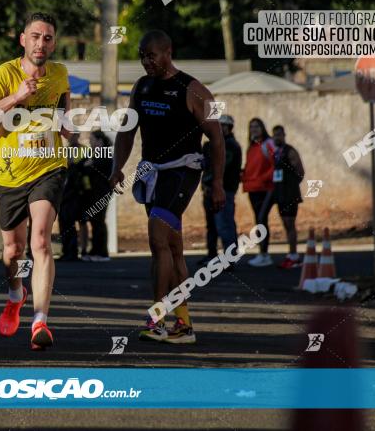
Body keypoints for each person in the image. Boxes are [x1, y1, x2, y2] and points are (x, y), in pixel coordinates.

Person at [110, 30, 225, 344]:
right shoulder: (142, 87)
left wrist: (218, 184)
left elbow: (217, 139)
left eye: (152, 55)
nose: (147, 61)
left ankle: (156, 319)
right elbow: (126, 131)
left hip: (182, 173)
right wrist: (116, 167)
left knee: (158, 239)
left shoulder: (194, 90)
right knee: (172, 250)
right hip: (153, 174)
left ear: (168, 52)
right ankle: (184, 325)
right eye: (142, 55)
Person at [0, 11, 73, 351]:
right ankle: (16, 294)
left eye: (47, 38)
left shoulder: (59, 73)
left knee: (41, 241)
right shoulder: (4, 75)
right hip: (10, 175)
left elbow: (63, 104)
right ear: (23, 39)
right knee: (12, 251)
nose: (40, 43)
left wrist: (69, 130)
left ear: (53, 43)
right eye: (35, 36)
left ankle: (40, 321)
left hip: (49, 168)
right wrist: (15, 97)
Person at [198, 115, 241, 266]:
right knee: (212, 225)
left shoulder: (230, 146)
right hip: (210, 191)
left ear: (229, 128)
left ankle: (229, 259)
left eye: (223, 126)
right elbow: (203, 165)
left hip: (224, 191)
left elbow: (221, 167)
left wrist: (210, 182)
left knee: (224, 224)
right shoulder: (212, 144)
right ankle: (211, 255)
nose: (220, 128)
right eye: (218, 125)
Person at [242, 117, 277, 267]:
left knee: (262, 219)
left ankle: (265, 254)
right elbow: (250, 167)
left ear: (262, 128)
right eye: (252, 127)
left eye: (257, 126)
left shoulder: (268, 144)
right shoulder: (251, 147)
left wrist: (263, 178)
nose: (254, 129)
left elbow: (276, 164)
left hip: (266, 188)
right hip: (252, 188)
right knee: (259, 221)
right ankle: (262, 253)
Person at [272, 125, 305, 268]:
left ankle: (294, 255)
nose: (277, 137)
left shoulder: (290, 151)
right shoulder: (277, 152)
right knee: (285, 224)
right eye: (274, 135)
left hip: (290, 194)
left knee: (290, 224)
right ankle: (290, 253)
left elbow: (300, 171)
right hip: (280, 194)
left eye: (279, 135)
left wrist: (291, 185)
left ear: (284, 135)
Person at [57, 133, 88, 262]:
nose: (72, 138)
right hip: (64, 194)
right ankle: (67, 251)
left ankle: (77, 251)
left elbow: (84, 170)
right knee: (64, 223)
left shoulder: (85, 150)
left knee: (79, 222)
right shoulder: (64, 151)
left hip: (78, 193)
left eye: (75, 135)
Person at [83, 130, 113, 262]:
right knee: (94, 221)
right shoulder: (93, 155)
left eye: (92, 139)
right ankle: (95, 250)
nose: (90, 142)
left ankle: (102, 253)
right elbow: (82, 166)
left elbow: (92, 167)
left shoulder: (105, 155)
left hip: (102, 192)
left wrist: (90, 164)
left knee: (99, 221)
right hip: (93, 192)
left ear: (99, 141)